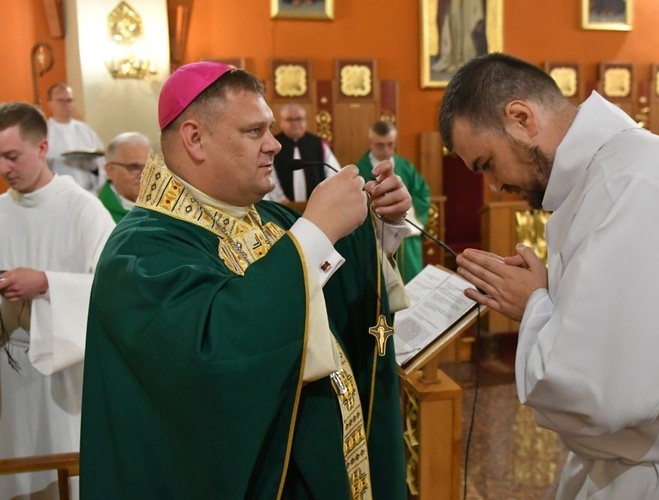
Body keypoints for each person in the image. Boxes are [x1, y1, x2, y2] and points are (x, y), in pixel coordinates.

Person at [80, 61, 411, 499]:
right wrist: (316, 231)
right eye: (254, 131)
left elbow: (332, 288)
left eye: (270, 128)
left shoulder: (267, 217)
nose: (274, 144)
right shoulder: (139, 253)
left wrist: (378, 225)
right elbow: (215, 356)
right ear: (195, 139)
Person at [439, 53, 659, 499]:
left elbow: (602, 389)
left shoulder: (633, 179)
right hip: (637, 465)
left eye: (486, 163)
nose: (492, 186)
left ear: (522, 118)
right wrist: (542, 298)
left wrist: (535, 304)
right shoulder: (609, 173)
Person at [0, 102, 115, 499]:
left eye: (11, 156)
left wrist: (46, 283)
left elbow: (114, 290)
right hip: (8, 375)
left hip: (66, 377)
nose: (4, 168)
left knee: (65, 477)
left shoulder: (84, 210)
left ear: (43, 147)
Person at [356, 120, 432, 282]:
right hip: (376, 239)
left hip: (407, 237)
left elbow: (423, 195)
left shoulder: (406, 167)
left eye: (390, 144)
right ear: (371, 143)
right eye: (380, 145)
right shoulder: (359, 170)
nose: (386, 150)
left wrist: (405, 208)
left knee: (412, 285)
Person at [265, 102, 341, 202]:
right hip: (282, 206)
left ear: (305, 121)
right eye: (290, 120)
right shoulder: (273, 144)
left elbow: (334, 174)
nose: (295, 124)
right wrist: (282, 202)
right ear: (281, 122)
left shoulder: (318, 144)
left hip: (317, 205)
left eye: (299, 119)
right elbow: (269, 175)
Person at [46, 82, 105, 193]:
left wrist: (94, 168)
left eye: (69, 100)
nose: (66, 105)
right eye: (60, 100)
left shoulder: (86, 131)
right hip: (58, 195)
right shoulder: (44, 132)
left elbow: (102, 163)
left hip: (88, 193)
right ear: (50, 103)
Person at [98, 131, 152, 222]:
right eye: (134, 167)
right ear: (109, 170)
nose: (144, 175)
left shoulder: (165, 208)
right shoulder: (99, 215)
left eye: (149, 167)